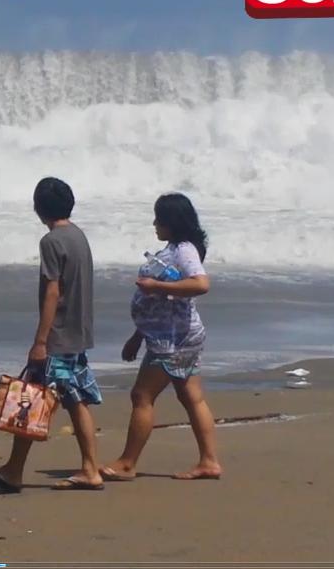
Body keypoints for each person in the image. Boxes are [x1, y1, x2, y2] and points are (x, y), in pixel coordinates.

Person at [0, 177, 104, 492]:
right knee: (73, 401)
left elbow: (53, 293)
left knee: (30, 400)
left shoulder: (52, 242)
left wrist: (41, 341)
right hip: (77, 334)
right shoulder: (79, 236)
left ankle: (16, 471)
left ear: (38, 208)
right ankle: (86, 468)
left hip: (57, 337)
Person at [101, 192, 222, 481]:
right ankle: (209, 461)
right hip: (174, 333)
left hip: (173, 339)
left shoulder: (184, 250)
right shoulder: (174, 248)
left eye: (159, 219)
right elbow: (159, 304)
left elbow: (201, 284)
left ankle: (128, 462)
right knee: (191, 396)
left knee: (142, 395)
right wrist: (138, 335)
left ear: (172, 222)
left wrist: (155, 285)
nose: (154, 223)